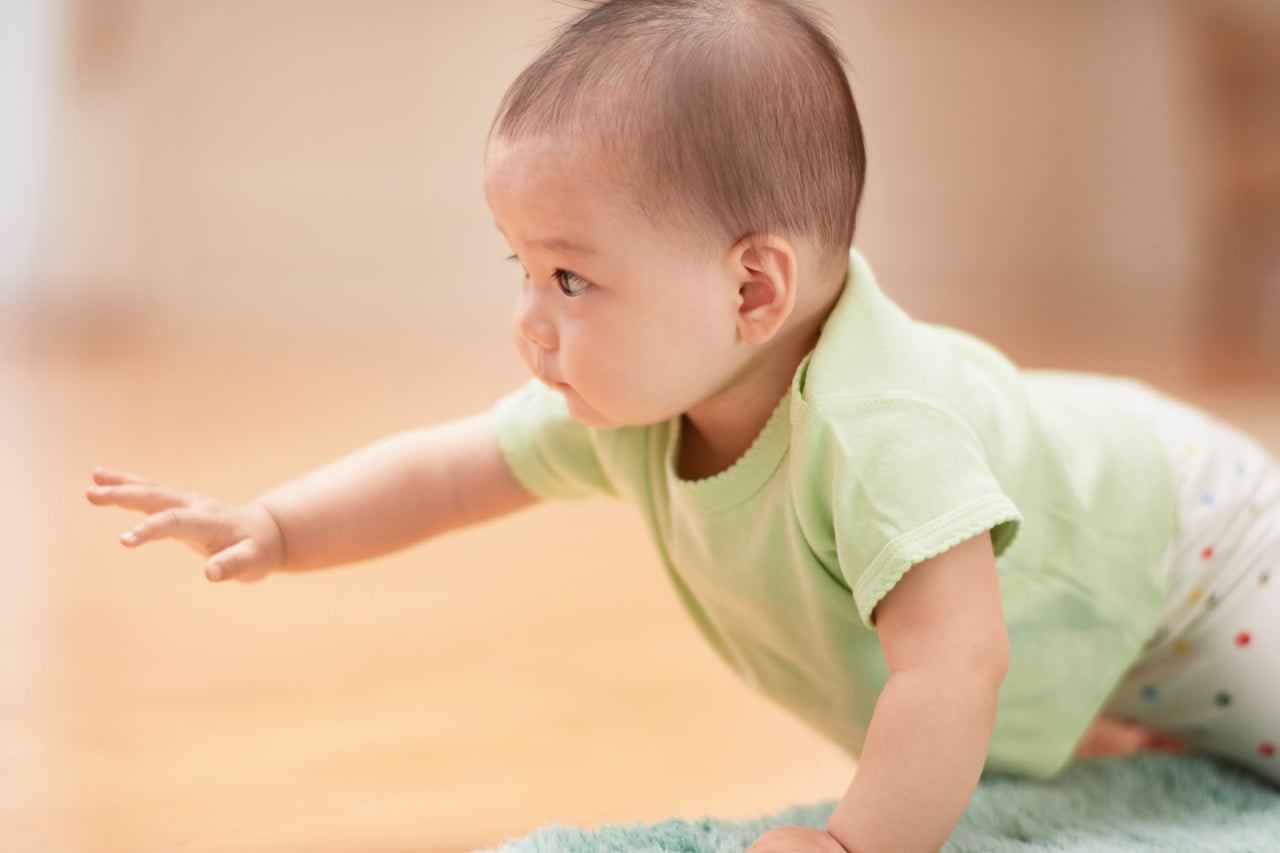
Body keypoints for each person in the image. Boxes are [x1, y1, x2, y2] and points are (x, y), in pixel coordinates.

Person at [86, 1, 1280, 851]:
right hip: (1121, 606)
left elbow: (954, 659)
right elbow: (452, 473)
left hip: (1208, 548)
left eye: (570, 280)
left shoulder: (878, 430)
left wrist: (858, 843)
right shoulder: (631, 405)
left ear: (751, 290)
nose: (528, 324)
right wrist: (279, 525)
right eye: (521, 267)